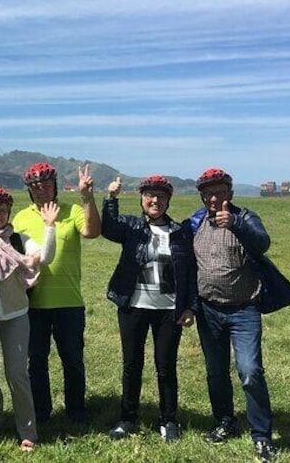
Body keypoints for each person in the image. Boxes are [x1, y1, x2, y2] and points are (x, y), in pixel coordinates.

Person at [186, 168, 290, 462]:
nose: (214, 198)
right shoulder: (195, 222)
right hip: (208, 309)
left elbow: (262, 242)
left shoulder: (246, 217)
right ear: (202, 196)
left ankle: (261, 436)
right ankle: (224, 420)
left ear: (231, 195)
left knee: (250, 372)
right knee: (215, 372)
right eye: (209, 193)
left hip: (244, 310)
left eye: (220, 192)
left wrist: (236, 223)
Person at [102, 175, 197, 442]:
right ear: (142, 199)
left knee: (166, 366)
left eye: (161, 197)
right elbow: (108, 228)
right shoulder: (132, 227)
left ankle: (168, 420)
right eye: (149, 196)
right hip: (134, 305)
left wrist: (190, 307)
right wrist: (111, 199)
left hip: (169, 309)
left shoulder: (179, 232)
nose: (155, 201)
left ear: (168, 201)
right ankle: (128, 418)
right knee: (132, 364)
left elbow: (189, 272)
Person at [12, 162, 101, 424]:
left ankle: (75, 410)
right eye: (35, 186)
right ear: (29, 190)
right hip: (33, 303)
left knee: (72, 360)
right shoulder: (21, 218)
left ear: (56, 186)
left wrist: (87, 197)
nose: (41, 189)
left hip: (69, 302)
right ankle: (41, 412)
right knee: (36, 361)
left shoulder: (72, 210)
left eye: (46, 184)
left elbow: (92, 231)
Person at [0, 187, 58, 453]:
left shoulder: (20, 240)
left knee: (17, 375)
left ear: (8, 212)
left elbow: (44, 257)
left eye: (0, 209)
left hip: (16, 315)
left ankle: (28, 431)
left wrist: (50, 227)